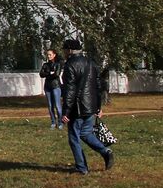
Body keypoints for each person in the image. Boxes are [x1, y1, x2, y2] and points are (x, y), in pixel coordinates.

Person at [60, 38, 112, 174]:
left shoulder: (69, 65)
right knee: (86, 133)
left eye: (65, 50)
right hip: (91, 106)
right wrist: (98, 107)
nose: (64, 52)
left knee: (74, 138)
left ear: (70, 50)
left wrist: (65, 111)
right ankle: (105, 150)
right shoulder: (91, 63)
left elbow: (69, 90)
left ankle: (81, 168)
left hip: (76, 108)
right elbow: (98, 86)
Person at [38, 49, 63, 129]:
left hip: (56, 86)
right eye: (47, 55)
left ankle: (60, 122)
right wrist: (49, 73)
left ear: (54, 55)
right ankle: (53, 122)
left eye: (50, 55)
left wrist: (49, 74)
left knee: (57, 105)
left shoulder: (57, 64)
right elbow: (41, 74)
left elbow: (56, 74)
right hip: (47, 87)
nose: (48, 56)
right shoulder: (45, 65)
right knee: (50, 105)